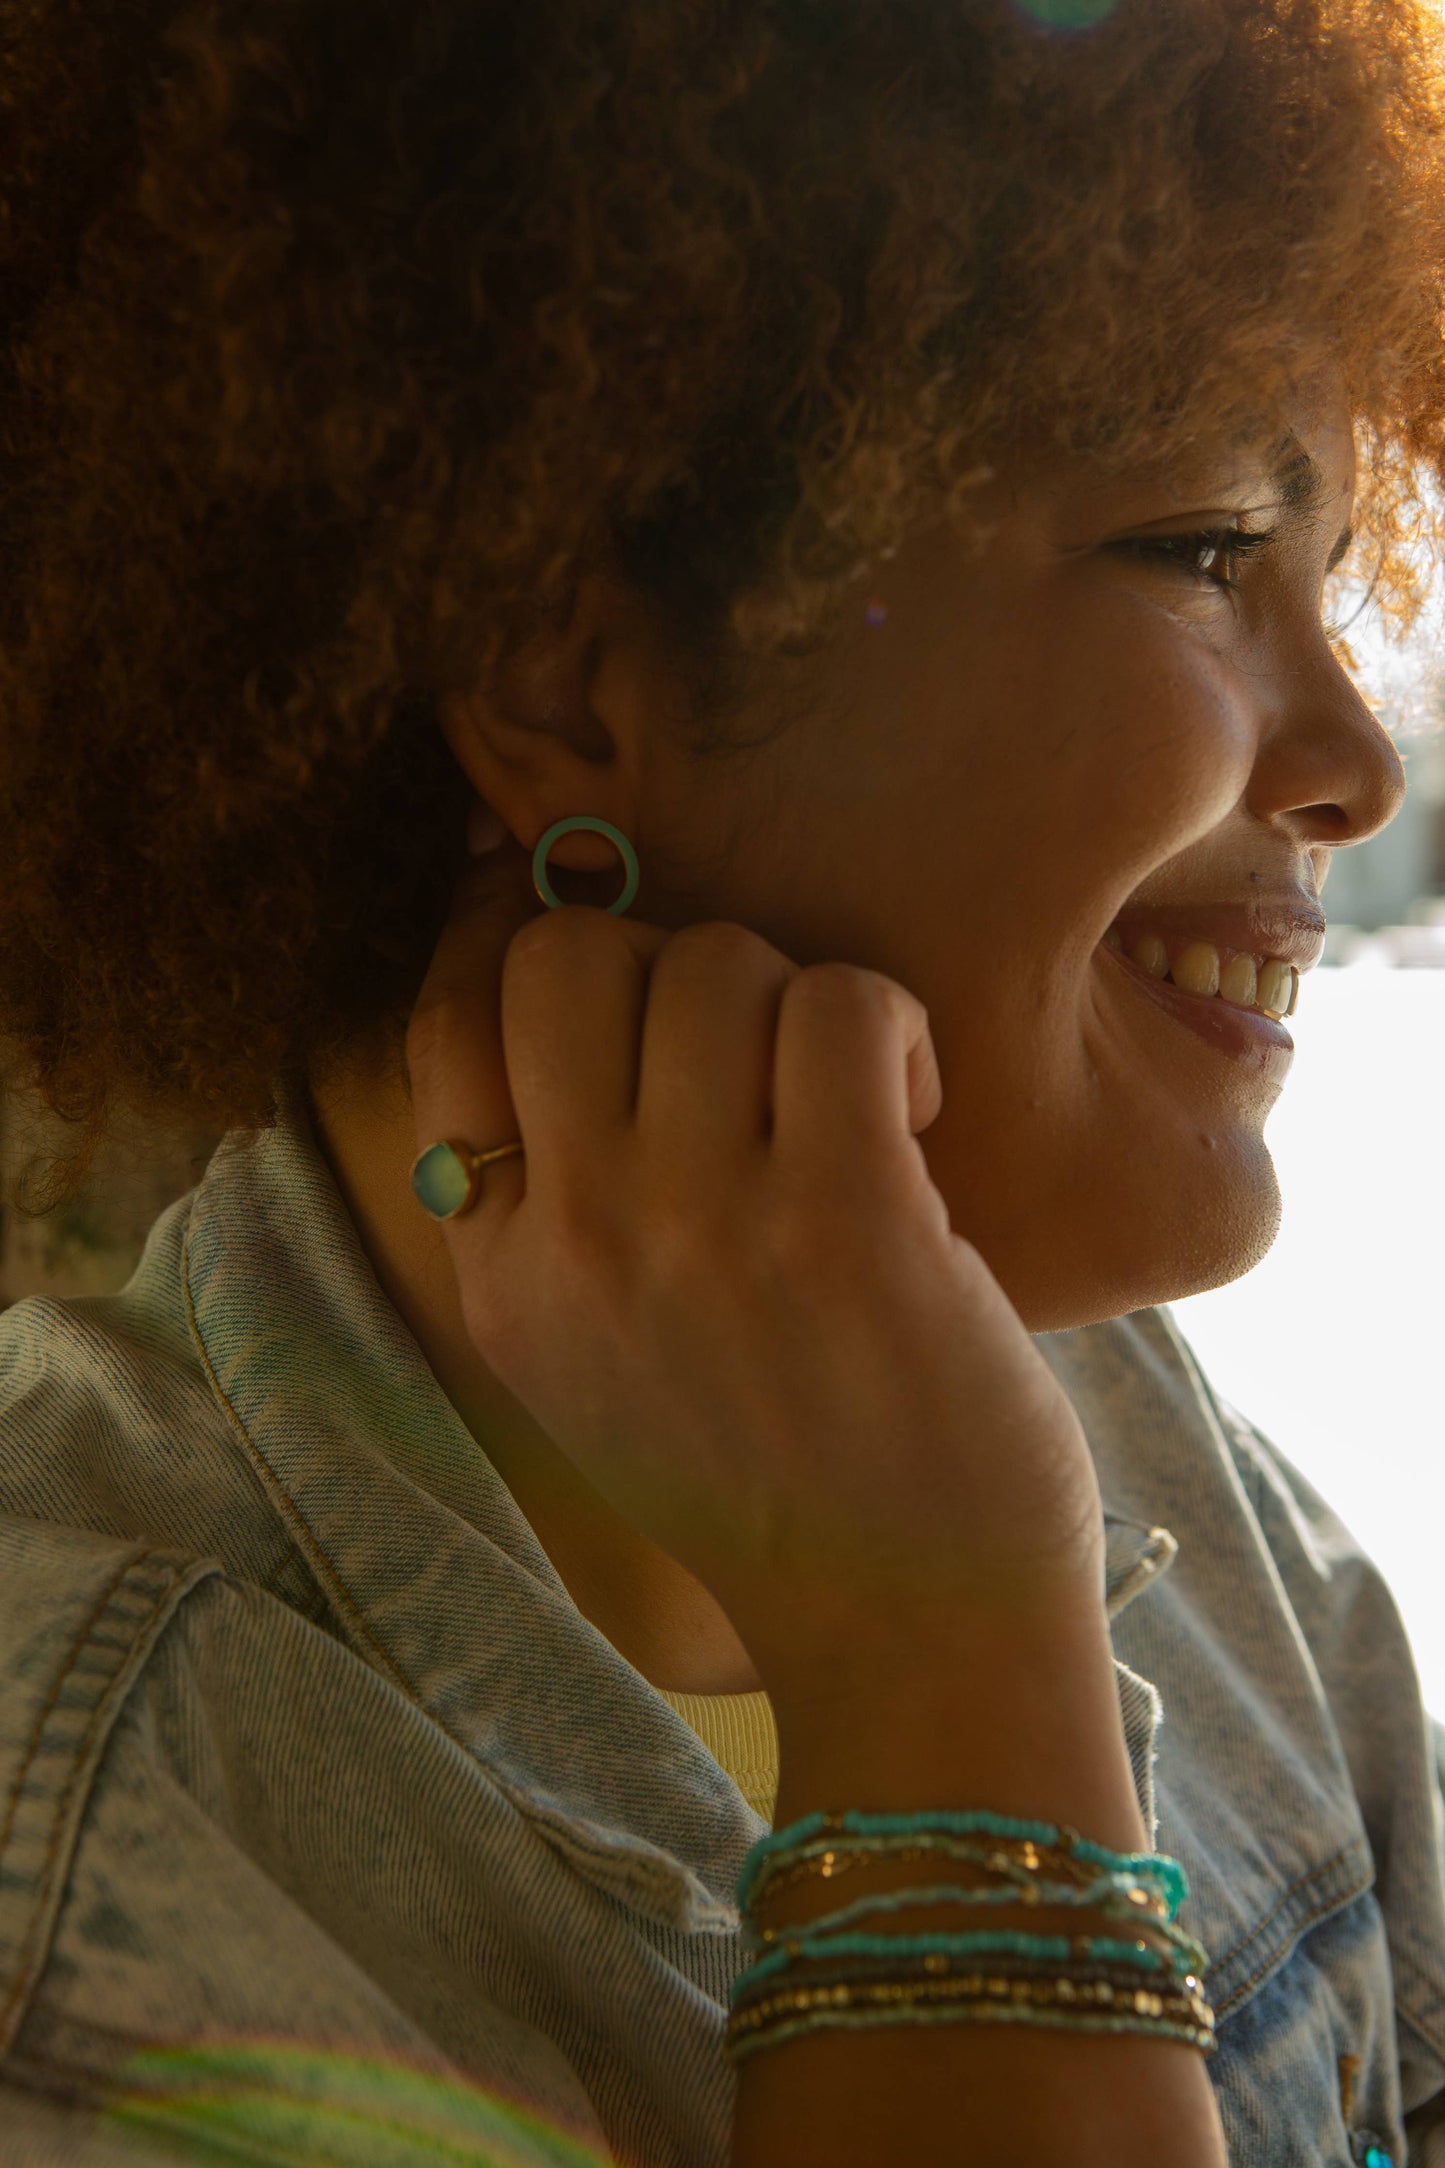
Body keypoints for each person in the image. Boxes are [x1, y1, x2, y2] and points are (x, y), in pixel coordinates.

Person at [0, 0, 1443, 2160]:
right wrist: (941, 1668)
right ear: (562, 684)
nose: (1352, 767)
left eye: (1331, 587)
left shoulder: (1138, 1432)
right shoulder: (82, 1848)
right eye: (1206, 544)